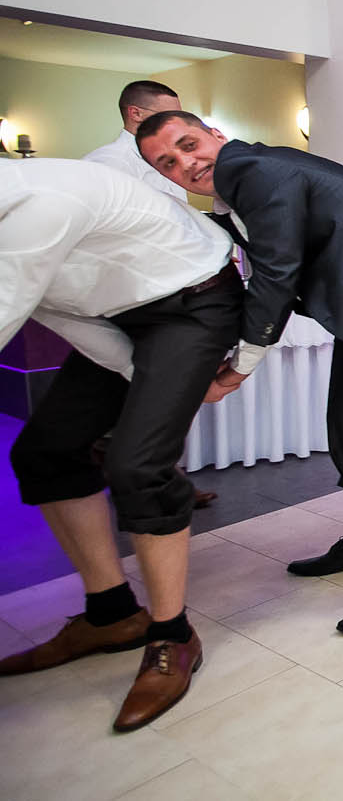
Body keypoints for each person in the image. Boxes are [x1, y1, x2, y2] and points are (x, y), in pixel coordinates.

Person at [137, 112, 343, 633]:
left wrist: (239, 368)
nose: (185, 164)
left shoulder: (253, 171)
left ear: (216, 134)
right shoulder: (239, 185)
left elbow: (275, 276)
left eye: (188, 145)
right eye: (167, 163)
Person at [0, 159, 241, 731]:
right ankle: (111, 614)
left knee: (137, 465)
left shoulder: (38, 204)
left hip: (195, 299)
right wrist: (143, 373)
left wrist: (179, 376)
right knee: (45, 450)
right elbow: (61, 312)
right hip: (120, 315)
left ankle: (172, 636)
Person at [83, 79, 219, 509]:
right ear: (136, 114)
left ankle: (165, 474)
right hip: (135, 294)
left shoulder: (174, 163)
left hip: (179, 287)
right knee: (145, 395)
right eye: (165, 112)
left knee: (171, 397)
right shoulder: (104, 164)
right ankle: (146, 477)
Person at [83, 80, 191, 202]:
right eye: (168, 116)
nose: (176, 123)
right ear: (136, 114)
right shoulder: (110, 161)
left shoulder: (172, 158)